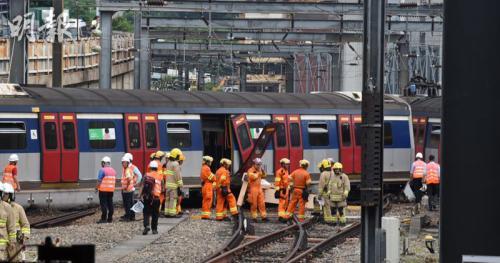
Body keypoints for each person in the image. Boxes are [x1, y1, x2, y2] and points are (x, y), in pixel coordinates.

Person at [3, 183, 28, 261]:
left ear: (10, 195)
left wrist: (24, 237)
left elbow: (25, 224)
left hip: (15, 242)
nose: (4, 196)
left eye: (6, 194)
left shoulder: (18, 208)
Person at [142, 161, 163, 235]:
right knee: (155, 214)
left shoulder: (146, 175)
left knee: (146, 212)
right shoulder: (160, 176)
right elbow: (163, 188)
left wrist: (140, 195)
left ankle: (146, 226)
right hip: (156, 198)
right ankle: (154, 229)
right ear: (157, 168)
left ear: (150, 167)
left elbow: (142, 186)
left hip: (147, 197)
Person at [121, 153, 142, 221]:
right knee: (128, 203)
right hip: (128, 187)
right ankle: (129, 215)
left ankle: (130, 216)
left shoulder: (132, 167)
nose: (123, 162)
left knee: (129, 203)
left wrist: (135, 183)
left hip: (129, 188)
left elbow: (139, 175)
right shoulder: (126, 167)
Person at [96, 156, 116, 223]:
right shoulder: (113, 171)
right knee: (110, 203)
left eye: (102, 163)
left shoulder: (102, 170)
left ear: (104, 163)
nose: (101, 164)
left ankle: (103, 219)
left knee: (103, 204)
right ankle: (110, 218)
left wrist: (96, 188)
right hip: (111, 190)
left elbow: (99, 181)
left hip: (103, 190)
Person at [247, 158, 267, 222]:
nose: (259, 166)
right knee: (254, 204)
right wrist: (259, 172)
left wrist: (263, 172)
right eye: (258, 164)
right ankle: (254, 217)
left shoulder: (259, 170)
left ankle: (264, 217)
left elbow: (264, 176)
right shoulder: (250, 170)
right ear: (254, 164)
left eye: (260, 164)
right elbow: (253, 177)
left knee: (262, 203)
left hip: (259, 188)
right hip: (253, 189)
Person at [164, 148, 183, 217]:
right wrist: (180, 184)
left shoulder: (168, 163)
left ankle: (166, 212)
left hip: (167, 185)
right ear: (176, 155)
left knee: (167, 199)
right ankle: (172, 213)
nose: (179, 157)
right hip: (173, 186)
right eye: (178, 155)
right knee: (173, 199)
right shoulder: (176, 164)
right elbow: (177, 175)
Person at [317, 159, 334, 224]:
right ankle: (336, 218)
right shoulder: (333, 172)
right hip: (333, 192)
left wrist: (319, 195)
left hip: (326, 193)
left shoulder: (323, 174)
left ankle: (328, 220)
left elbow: (321, 186)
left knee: (327, 206)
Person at [274, 158, 290, 222]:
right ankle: (281, 217)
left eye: (288, 164)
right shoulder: (279, 172)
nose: (288, 165)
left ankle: (283, 216)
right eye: (287, 164)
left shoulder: (286, 171)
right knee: (282, 203)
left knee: (286, 203)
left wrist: (289, 188)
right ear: (283, 164)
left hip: (286, 190)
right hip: (282, 190)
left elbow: (287, 181)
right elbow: (277, 182)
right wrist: (277, 190)